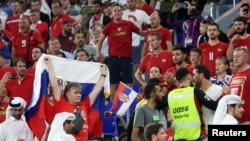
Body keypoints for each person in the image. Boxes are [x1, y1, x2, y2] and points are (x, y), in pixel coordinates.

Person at [45, 57, 108, 141]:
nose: (79, 95)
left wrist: (103, 74)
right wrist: (50, 65)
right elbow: (54, 84)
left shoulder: (85, 105)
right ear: (67, 94)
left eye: (80, 93)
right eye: (76, 93)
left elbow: (96, 90)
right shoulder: (60, 103)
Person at [95, 5, 144, 101]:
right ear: (112, 13)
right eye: (115, 11)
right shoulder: (109, 26)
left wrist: (151, 31)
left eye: (119, 10)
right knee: (113, 84)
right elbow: (100, 41)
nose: (117, 12)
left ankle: (130, 107)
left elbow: (141, 32)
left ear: (122, 13)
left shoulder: (128, 24)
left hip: (126, 58)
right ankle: (113, 109)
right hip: (113, 59)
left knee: (128, 82)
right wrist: (98, 53)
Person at [168, 67, 221, 141]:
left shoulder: (171, 95)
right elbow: (213, 105)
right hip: (196, 135)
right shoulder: (194, 91)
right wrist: (224, 94)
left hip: (178, 137)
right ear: (188, 76)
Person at [229, 47, 250, 124]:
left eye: (238, 56)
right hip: (235, 120)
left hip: (247, 118)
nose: (235, 59)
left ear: (246, 58)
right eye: (234, 57)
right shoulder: (234, 76)